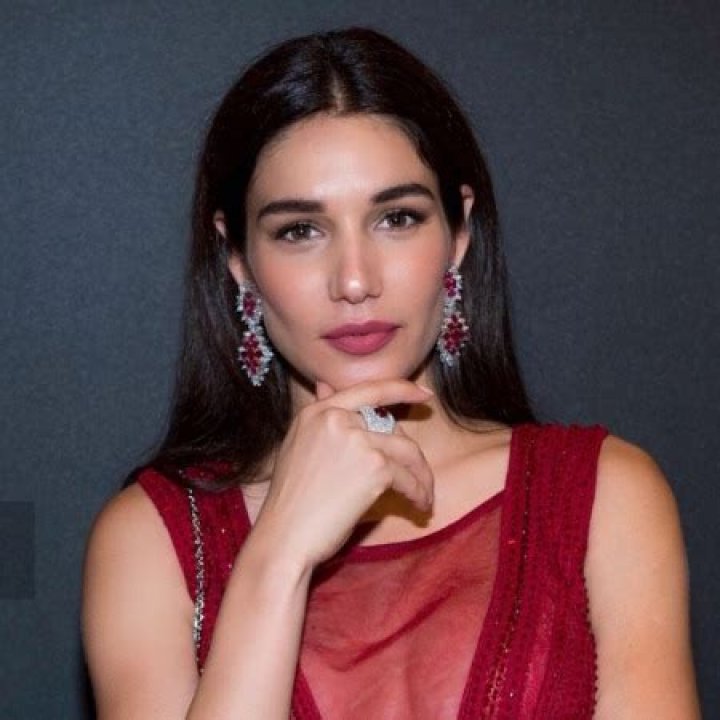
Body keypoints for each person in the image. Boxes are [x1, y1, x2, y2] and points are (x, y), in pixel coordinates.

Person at [82, 27, 699, 719]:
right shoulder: (152, 542)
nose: (355, 280)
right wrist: (276, 557)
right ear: (238, 259)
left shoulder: (604, 497)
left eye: (397, 218)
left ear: (459, 234)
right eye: (300, 230)